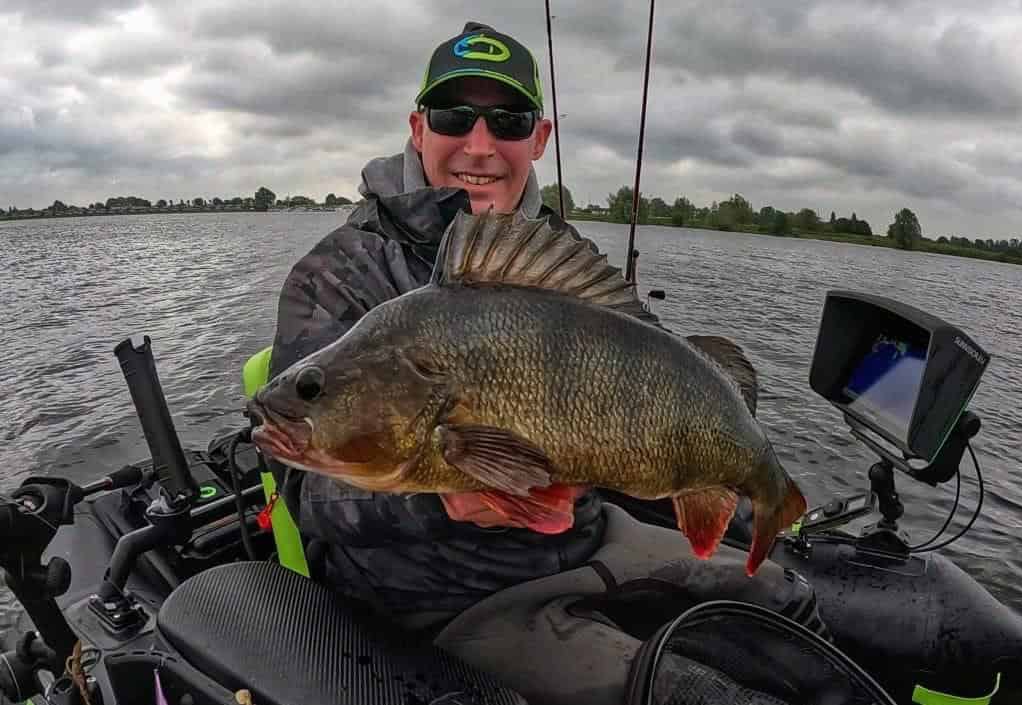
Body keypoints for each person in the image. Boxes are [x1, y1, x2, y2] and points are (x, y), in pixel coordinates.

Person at [266, 21, 828, 705]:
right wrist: (451, 499)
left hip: (588, 544)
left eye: (507, 120)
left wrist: (715, 464)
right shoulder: (335, 275)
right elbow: (310, 499)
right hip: (438, 598)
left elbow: (664, 383)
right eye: (453, 116)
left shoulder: (556, 258)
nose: (480, 143)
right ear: (418, 128)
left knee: (791, 611)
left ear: (539, 138)